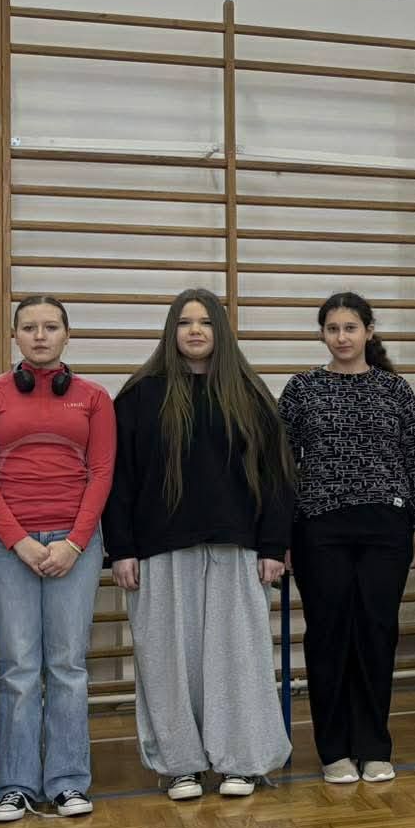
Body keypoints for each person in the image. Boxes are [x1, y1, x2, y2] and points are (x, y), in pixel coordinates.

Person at [106, 289, 295, 801]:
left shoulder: (250, 394)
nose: (195, 331)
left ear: (221, 332)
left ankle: (242, 761)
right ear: (171, 331)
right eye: (185, 322)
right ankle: (180, 765)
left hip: (237, 548)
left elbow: (278, 477)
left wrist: (273, 546)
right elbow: (119, 480)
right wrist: (121, 549)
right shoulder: (140, 397)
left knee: (239, 661)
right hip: (160, 550)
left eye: (206, 322)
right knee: (169, 663)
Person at [0, 296, 114, 822]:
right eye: (29, 327)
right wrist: (17, 540)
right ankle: (15, 785)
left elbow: (101, 472)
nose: (40, 335)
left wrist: (74, 542)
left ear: (67, 335)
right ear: (15, 336)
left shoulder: (94, 398)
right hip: (9, 548)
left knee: (68, 665)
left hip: (76, 543)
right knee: (18, 667)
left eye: (51, 326)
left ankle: (70, 781)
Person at [280, 293, 415, 786]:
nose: (342, 337)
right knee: (328, 636)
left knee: (375, 634)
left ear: (369, 331)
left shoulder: (394, 390)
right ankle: (333, 750)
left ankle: (373, 746)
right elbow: (280, 466)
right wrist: (280, 535)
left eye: (350, 328)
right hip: (319, 528)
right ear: (322, 335)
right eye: (333, 329)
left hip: (385, 529)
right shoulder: (302, 389)